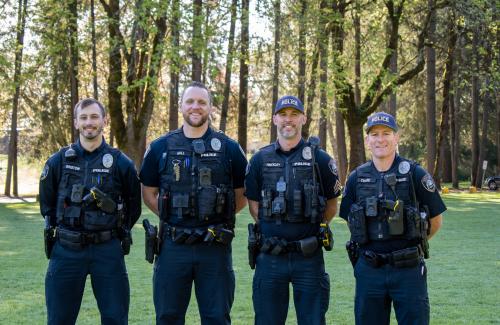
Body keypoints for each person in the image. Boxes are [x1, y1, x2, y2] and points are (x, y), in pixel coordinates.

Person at [140, 81, 248, 325]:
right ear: (181, 106)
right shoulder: (160, 147)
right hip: (172, 247)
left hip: (215, 247)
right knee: (168, 317)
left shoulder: (229, 148)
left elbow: (242, 192)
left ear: (210, 107)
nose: (195, 107)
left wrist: (218, 214)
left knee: (216, 317)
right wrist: (171, 216)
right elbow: (148, 192)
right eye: (190, 101)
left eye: (201, 102)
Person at [39, 98, 142, 325]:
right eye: (83, 117)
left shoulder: (120, 163)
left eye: (94, 117)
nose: (89, 122)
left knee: (115, 318)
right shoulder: (58, 161)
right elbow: (46, 205)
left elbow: (134, 207)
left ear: (104, 120)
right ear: (76, 122)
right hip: (66, 250)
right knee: (59, 319)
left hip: (107, 251)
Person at [339, 111, 445, 325]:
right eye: (374, 134)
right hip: (370, 270)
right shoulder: (356, 178)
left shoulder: (415, 174)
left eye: (386, 133)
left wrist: (409, 244)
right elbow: (350, 220)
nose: (380, 139)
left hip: (408, 271)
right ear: (368, 140)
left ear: (396, 137)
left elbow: (435, 221)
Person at [245, 95, 342, 325]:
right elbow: (253, 205)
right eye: (283, 115)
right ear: (274, 119)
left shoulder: (320, 159)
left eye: (294, 115)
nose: (289, 120)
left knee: (313, 320)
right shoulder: (259, 159)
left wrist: (313, 229)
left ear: (303, 119)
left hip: (308, 257)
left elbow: (331, 204)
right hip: (270, 257)